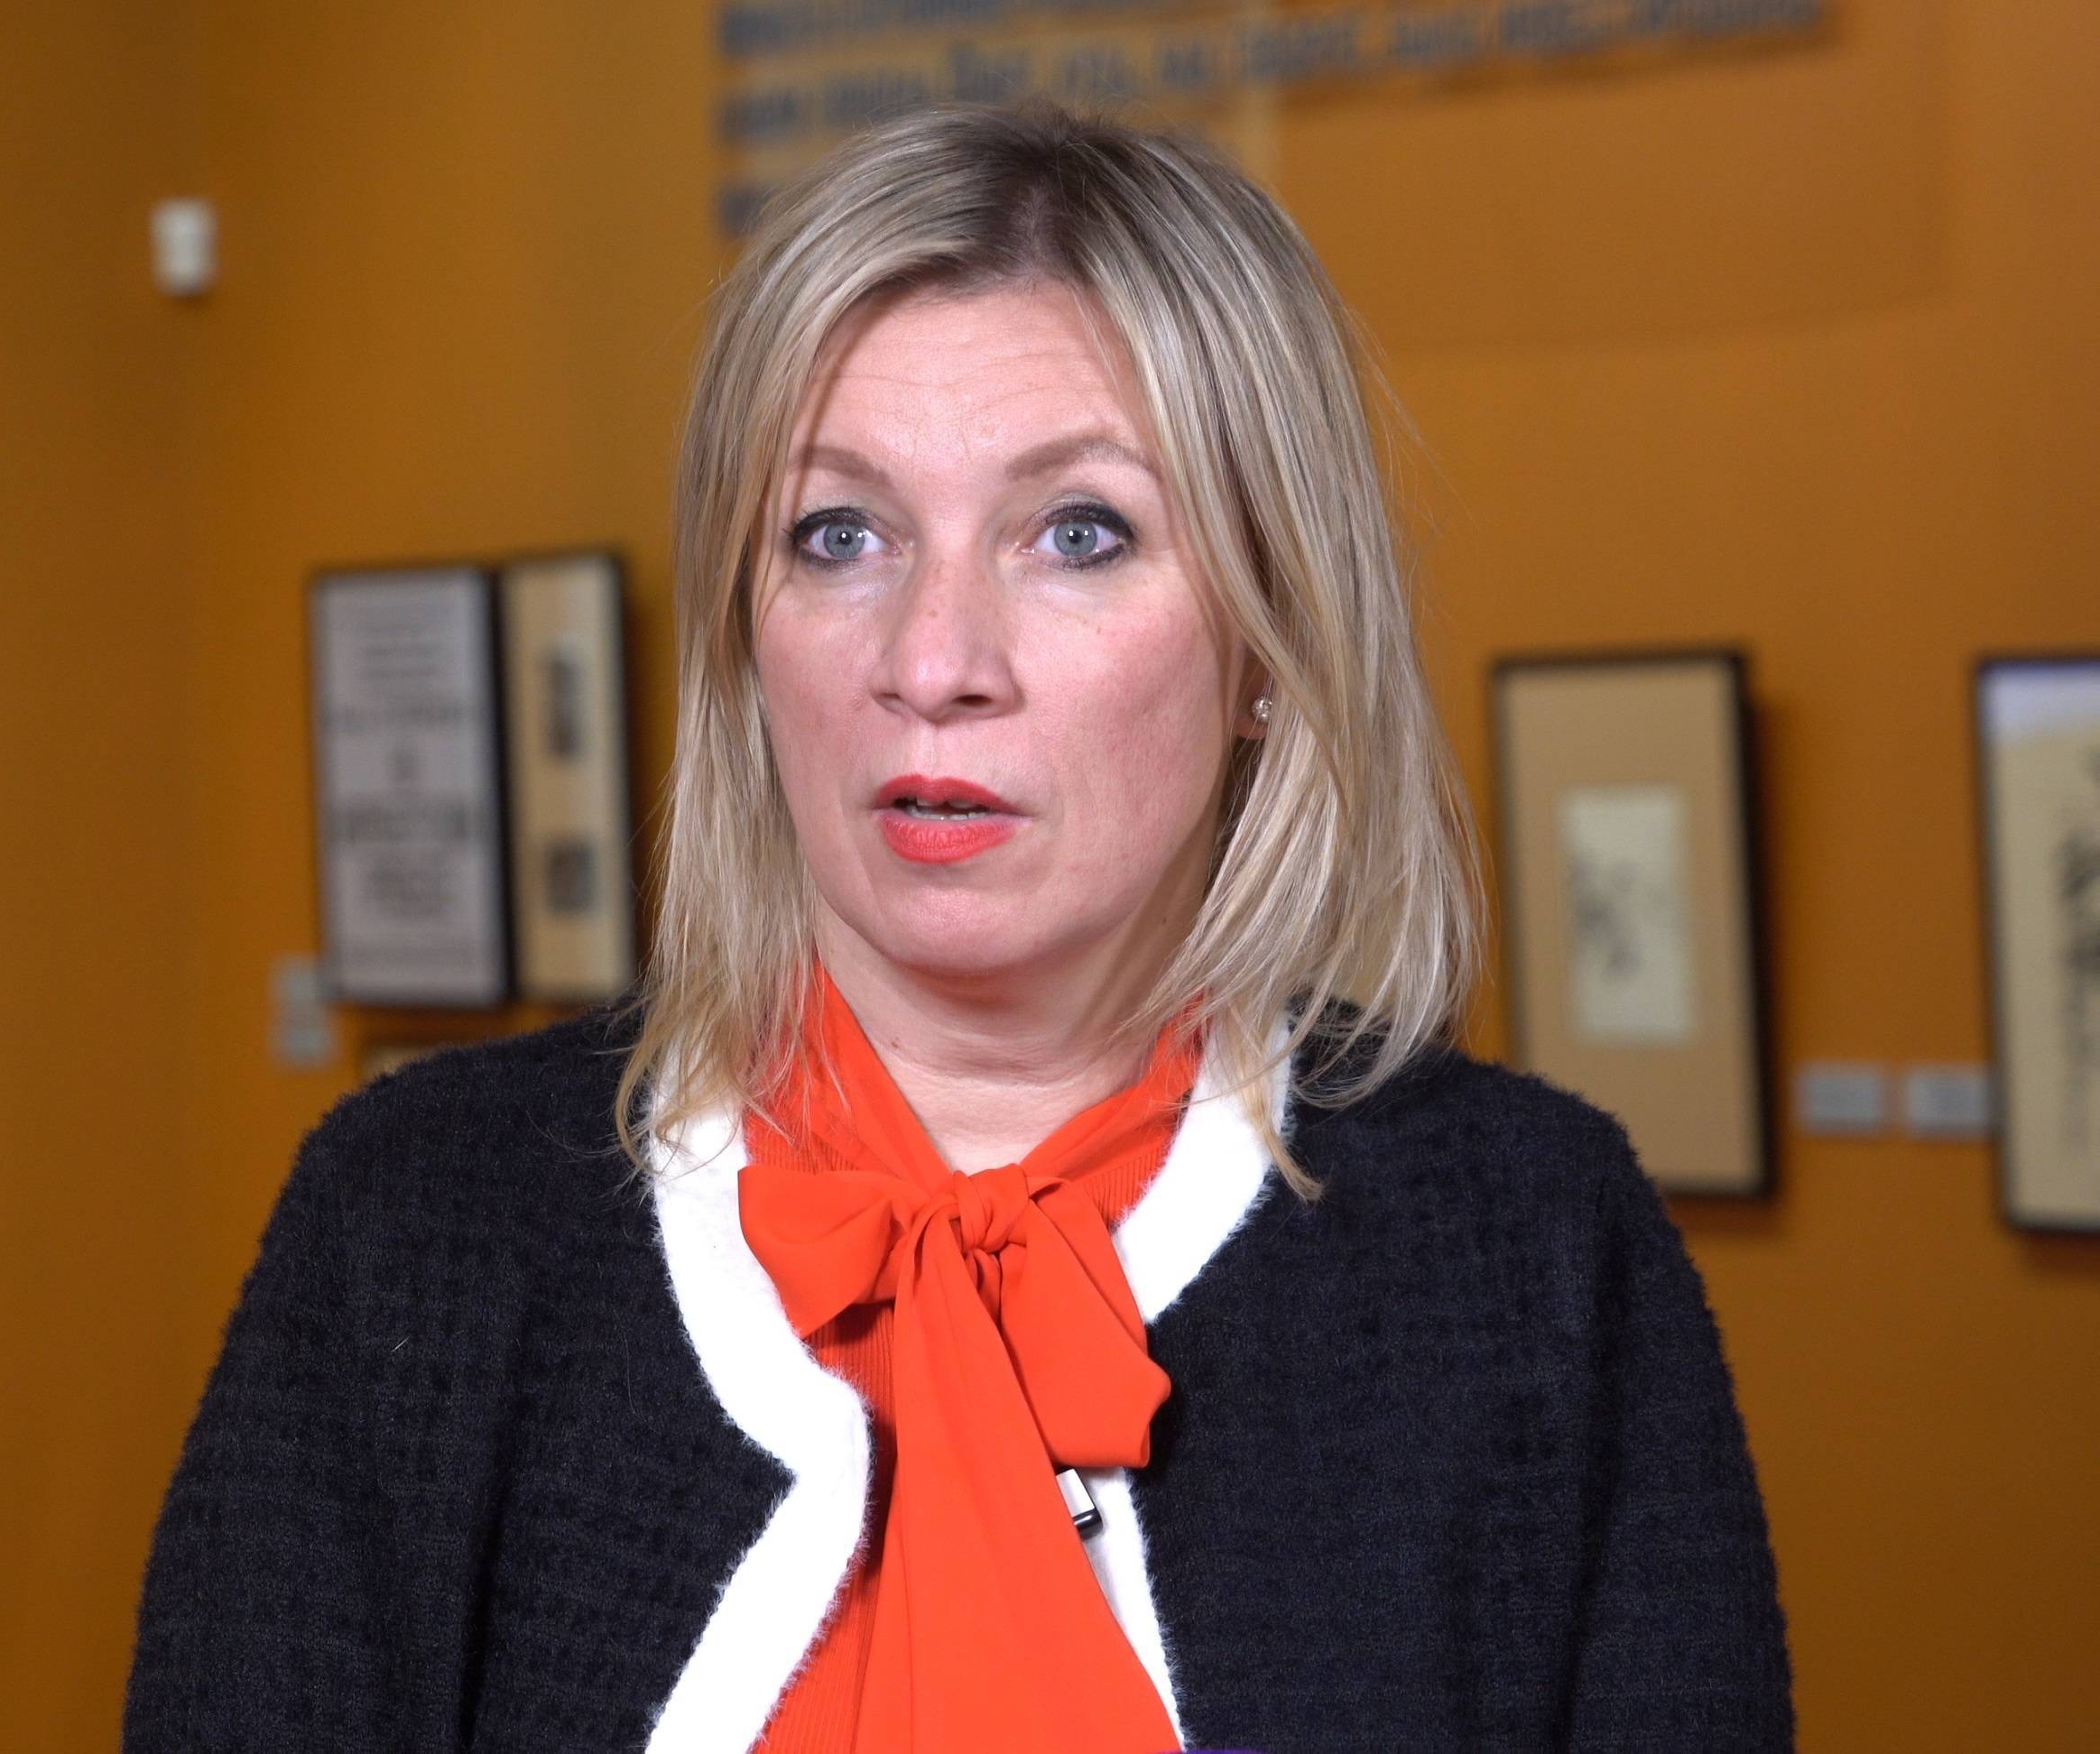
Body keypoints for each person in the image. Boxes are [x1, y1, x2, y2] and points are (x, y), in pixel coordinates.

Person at [125, 102, 1792, 1753]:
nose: (932, 661)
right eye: (839, 535)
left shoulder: (1532, 1254)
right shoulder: (419, 1225)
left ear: (1272, 640)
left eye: (1080, 534)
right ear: (745, 630)